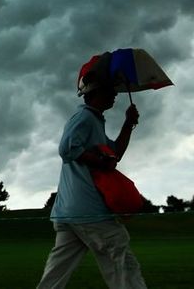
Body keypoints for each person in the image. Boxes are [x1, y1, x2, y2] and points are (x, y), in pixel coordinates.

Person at [36, 67, 147, 288]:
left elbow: (115, 153)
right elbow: (67, 149)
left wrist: (128, 123)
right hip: (90, 210)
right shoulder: (84, 116)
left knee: (55, 275)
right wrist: (100, 161)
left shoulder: (94, 120)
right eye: (110, 90)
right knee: (121, 260)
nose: (115, 94)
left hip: (69, 212)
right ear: (96, 92)